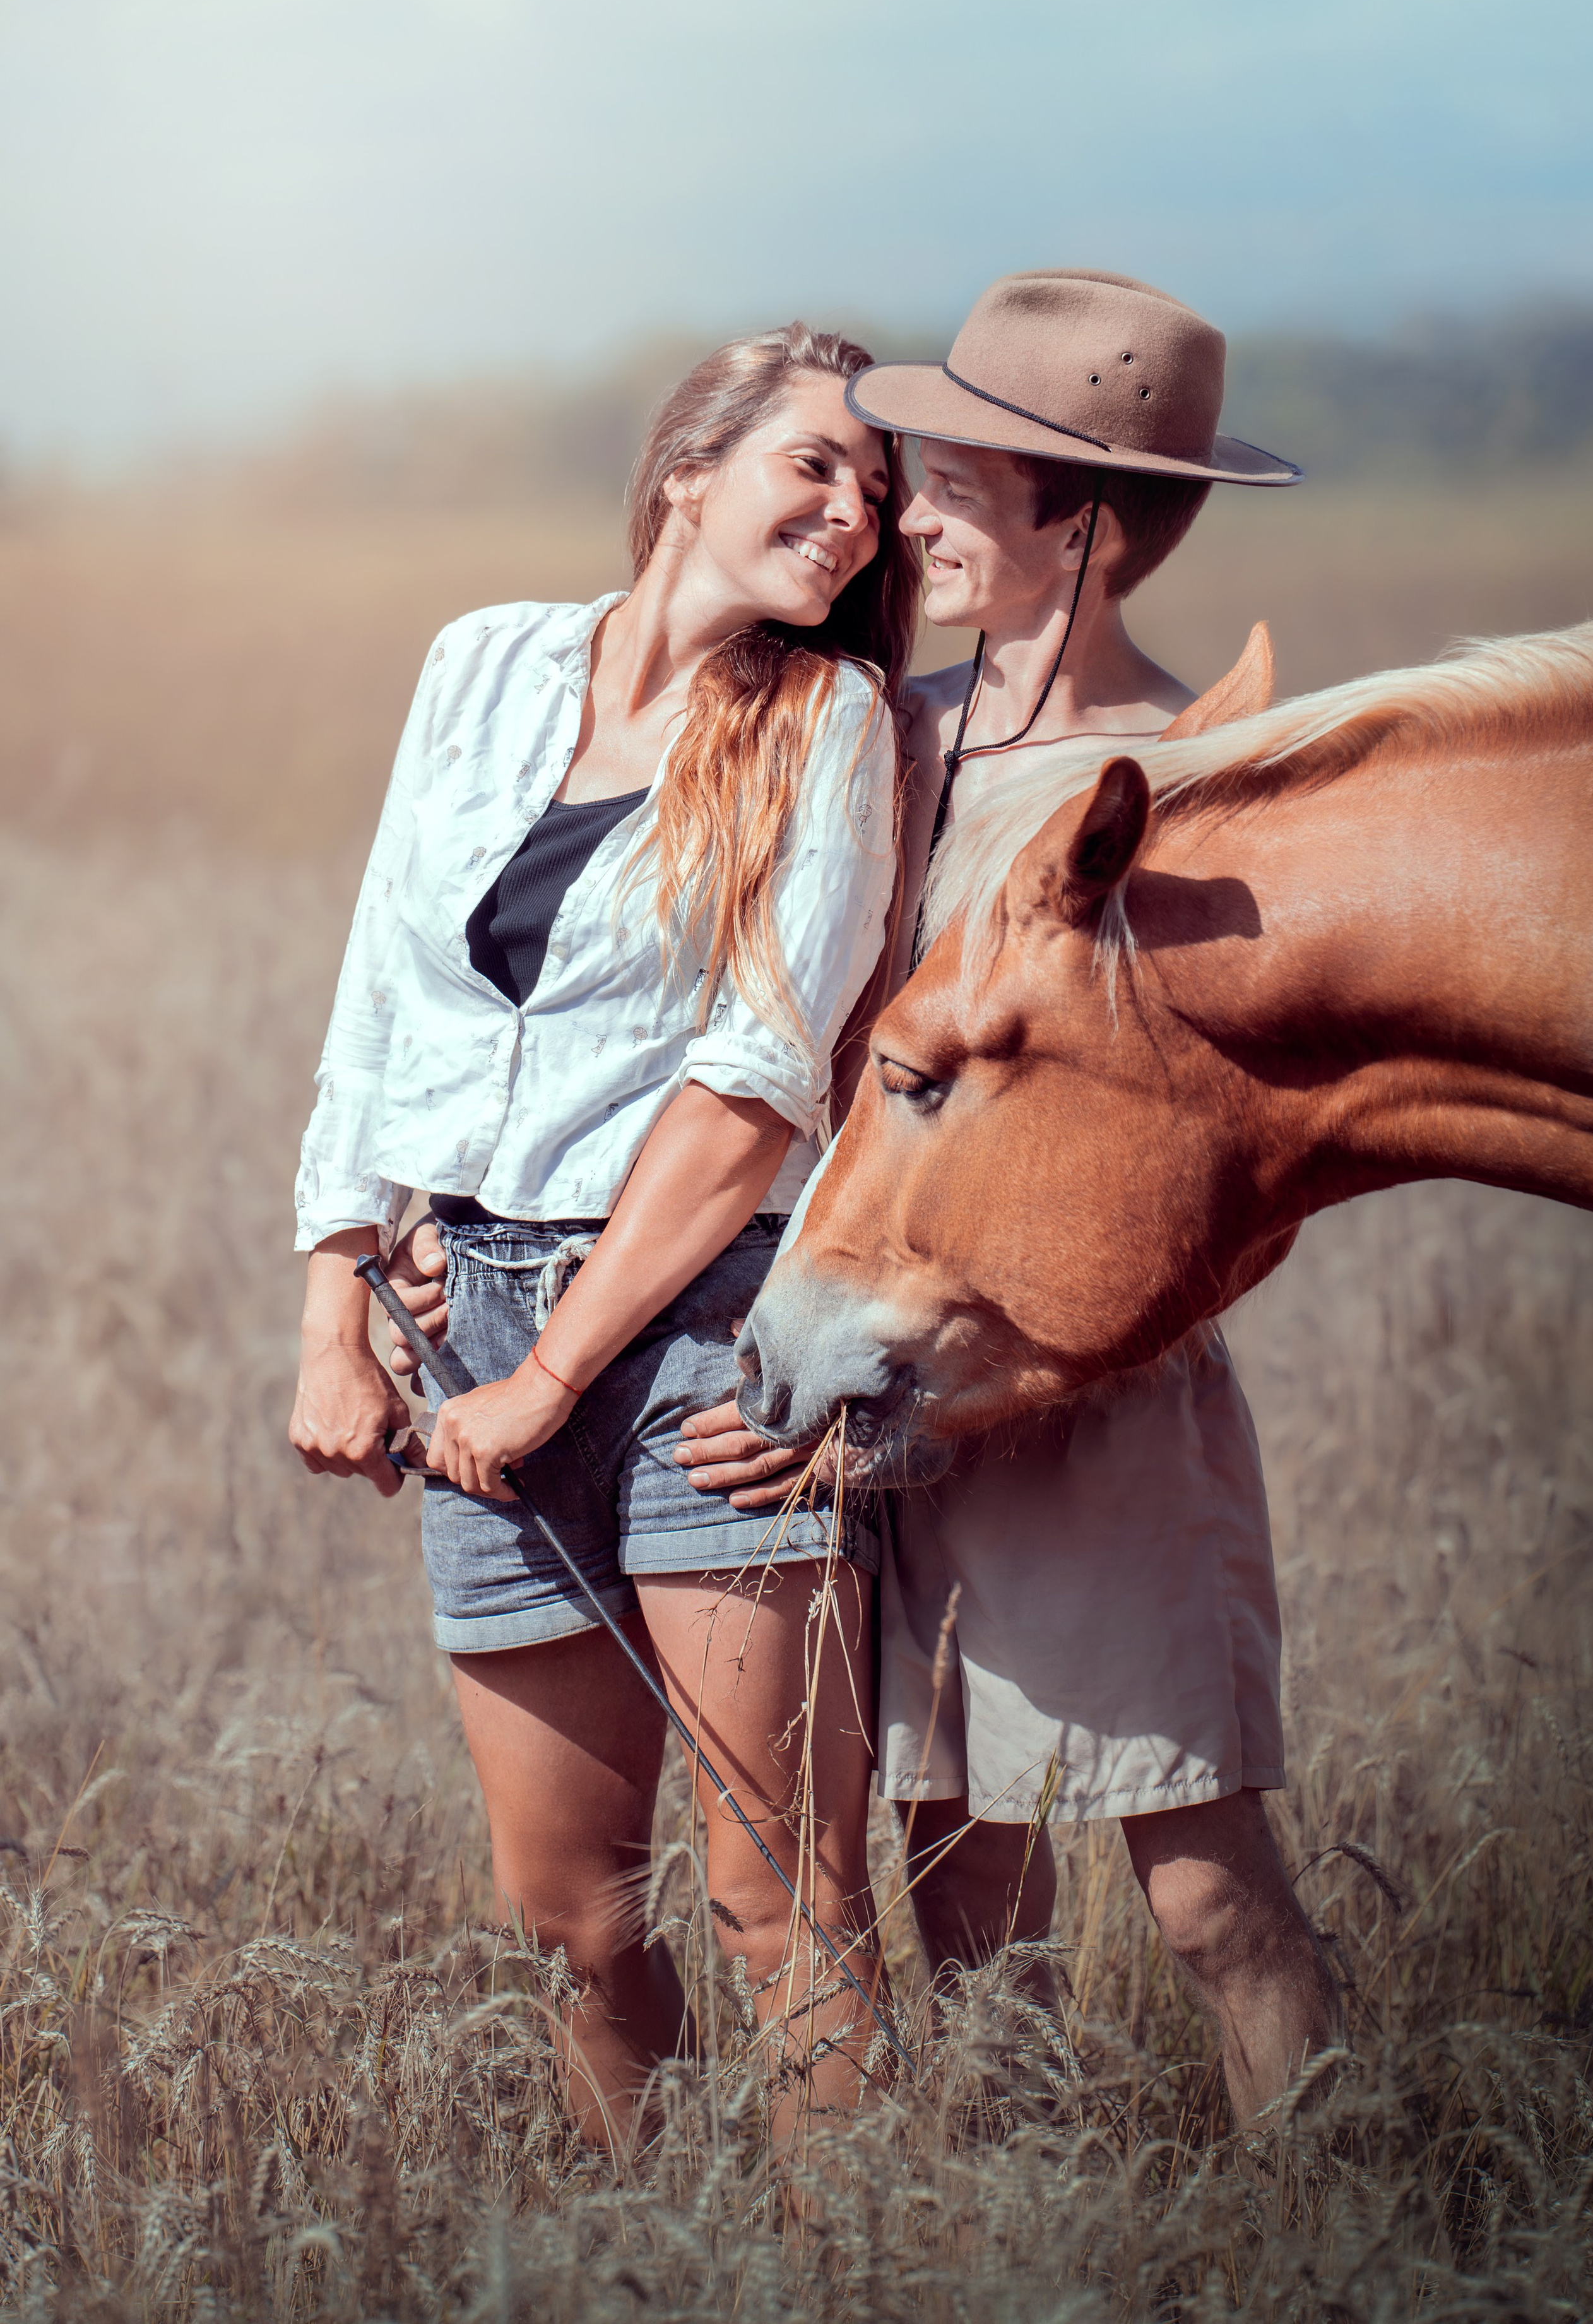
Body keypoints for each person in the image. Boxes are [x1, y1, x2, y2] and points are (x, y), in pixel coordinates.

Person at [680, 271, 1340, 2126]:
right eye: (923, 467)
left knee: (1211, 1895)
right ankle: (1037, 2246)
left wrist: (1011, 1353)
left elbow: (1221, 1151)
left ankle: (1347, 2228)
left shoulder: (1201, 786)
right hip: (859, 1384)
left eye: (966, 481)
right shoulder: (888, 732)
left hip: (1082, 1402)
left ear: (1097, 526)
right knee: (968, 1902)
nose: (912, 510)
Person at [288, 322, 919, 2150]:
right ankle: (633, 2260)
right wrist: (337, 1306)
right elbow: (379, 1000)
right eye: (817, 462)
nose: (855, 510)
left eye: (877, 491)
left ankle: (847, 2281)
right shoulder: (482, 665)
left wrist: (560, 1375)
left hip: (699, 1346)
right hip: (465, 1315)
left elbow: (752, 1090)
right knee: (571, 1917)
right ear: (688, 471)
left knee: (776, 1903)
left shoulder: (832, 720)